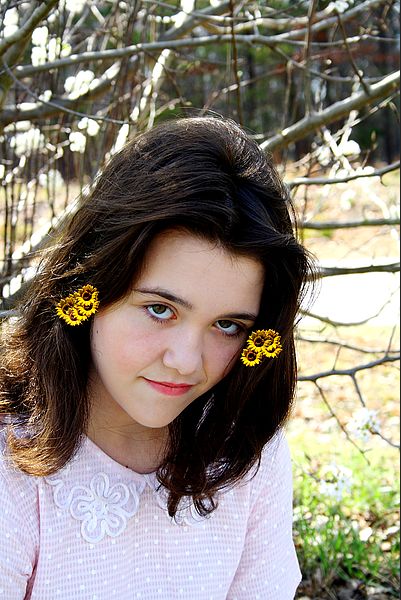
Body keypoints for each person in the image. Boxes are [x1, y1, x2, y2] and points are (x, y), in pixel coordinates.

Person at [0, 116, 314, 599]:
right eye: (159, 309)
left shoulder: (248, 450)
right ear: (89, 292)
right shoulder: (11, 456)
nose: (187, 361)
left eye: (228, 325)